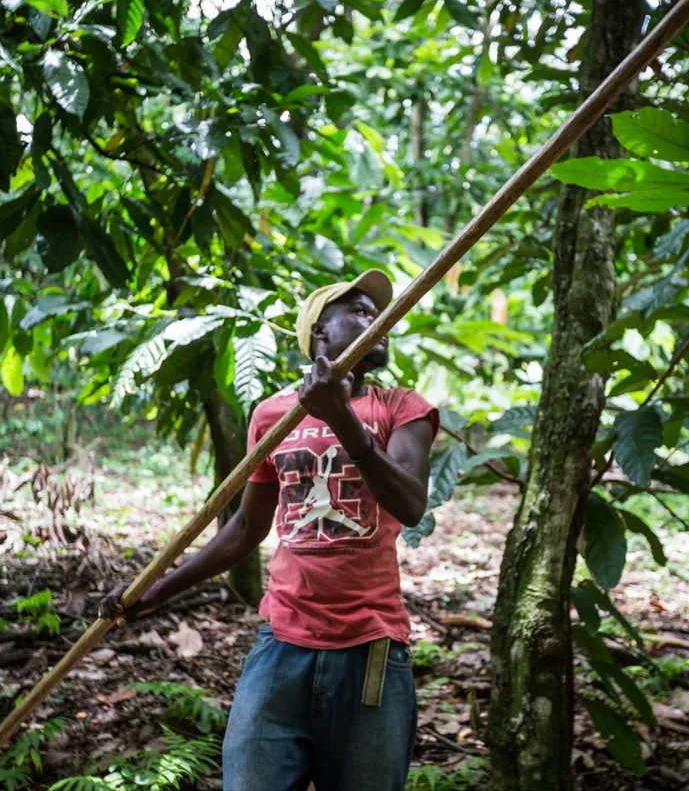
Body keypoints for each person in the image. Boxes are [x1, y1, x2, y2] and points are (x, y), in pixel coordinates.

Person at [101, 269, 439, 791]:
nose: (381, 322)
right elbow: (244, 529)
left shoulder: (401, 408)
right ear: (319, 334)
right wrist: (154, 593)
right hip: (281, 644)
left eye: (379, 314)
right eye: (361, 313)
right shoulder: (274, 415)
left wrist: (341, 419)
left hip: (371, 646)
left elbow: (411, 503)